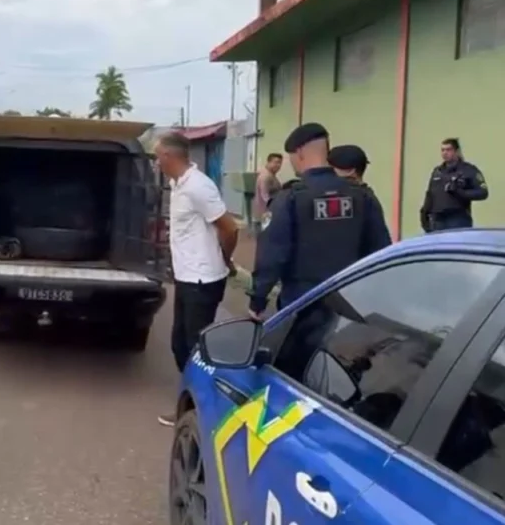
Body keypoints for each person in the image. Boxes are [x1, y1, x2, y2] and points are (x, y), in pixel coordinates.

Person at [249, 123, 392, 320]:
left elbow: (272, 253)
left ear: (299, 153)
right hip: (351, 303)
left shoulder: (290, 197)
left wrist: (258, 299)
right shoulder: (362, 195)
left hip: (303, 303)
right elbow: (381, 249)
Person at [154, 131, 239, 427]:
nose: (155, 161)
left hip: (203, 279)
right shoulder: (178, 184)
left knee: (196, 349)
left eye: (157, 155)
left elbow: (229, 228)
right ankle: (198, 403)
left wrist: (225, 259)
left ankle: (202, 411)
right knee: (181, 345)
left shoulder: (199, 187)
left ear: (169, 156)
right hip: (187, 277)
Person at [420, 137, 488, 232]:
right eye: (442, 150)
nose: (445, 153)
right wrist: (424, 215)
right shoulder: (437, 172)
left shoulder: (468, 170)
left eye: (448, 150)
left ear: (456, 151)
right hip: (437, 220)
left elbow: (483, 193)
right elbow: (430, 195)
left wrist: (460, 192)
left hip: (458, 218)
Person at [252, 153, 283, 234]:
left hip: (267, 214)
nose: (278, 165)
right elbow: (265, 196)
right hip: (264, 215)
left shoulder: (271, 175)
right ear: (269, 162)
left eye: (280, 163)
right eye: (275, 162)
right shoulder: (265, 176)